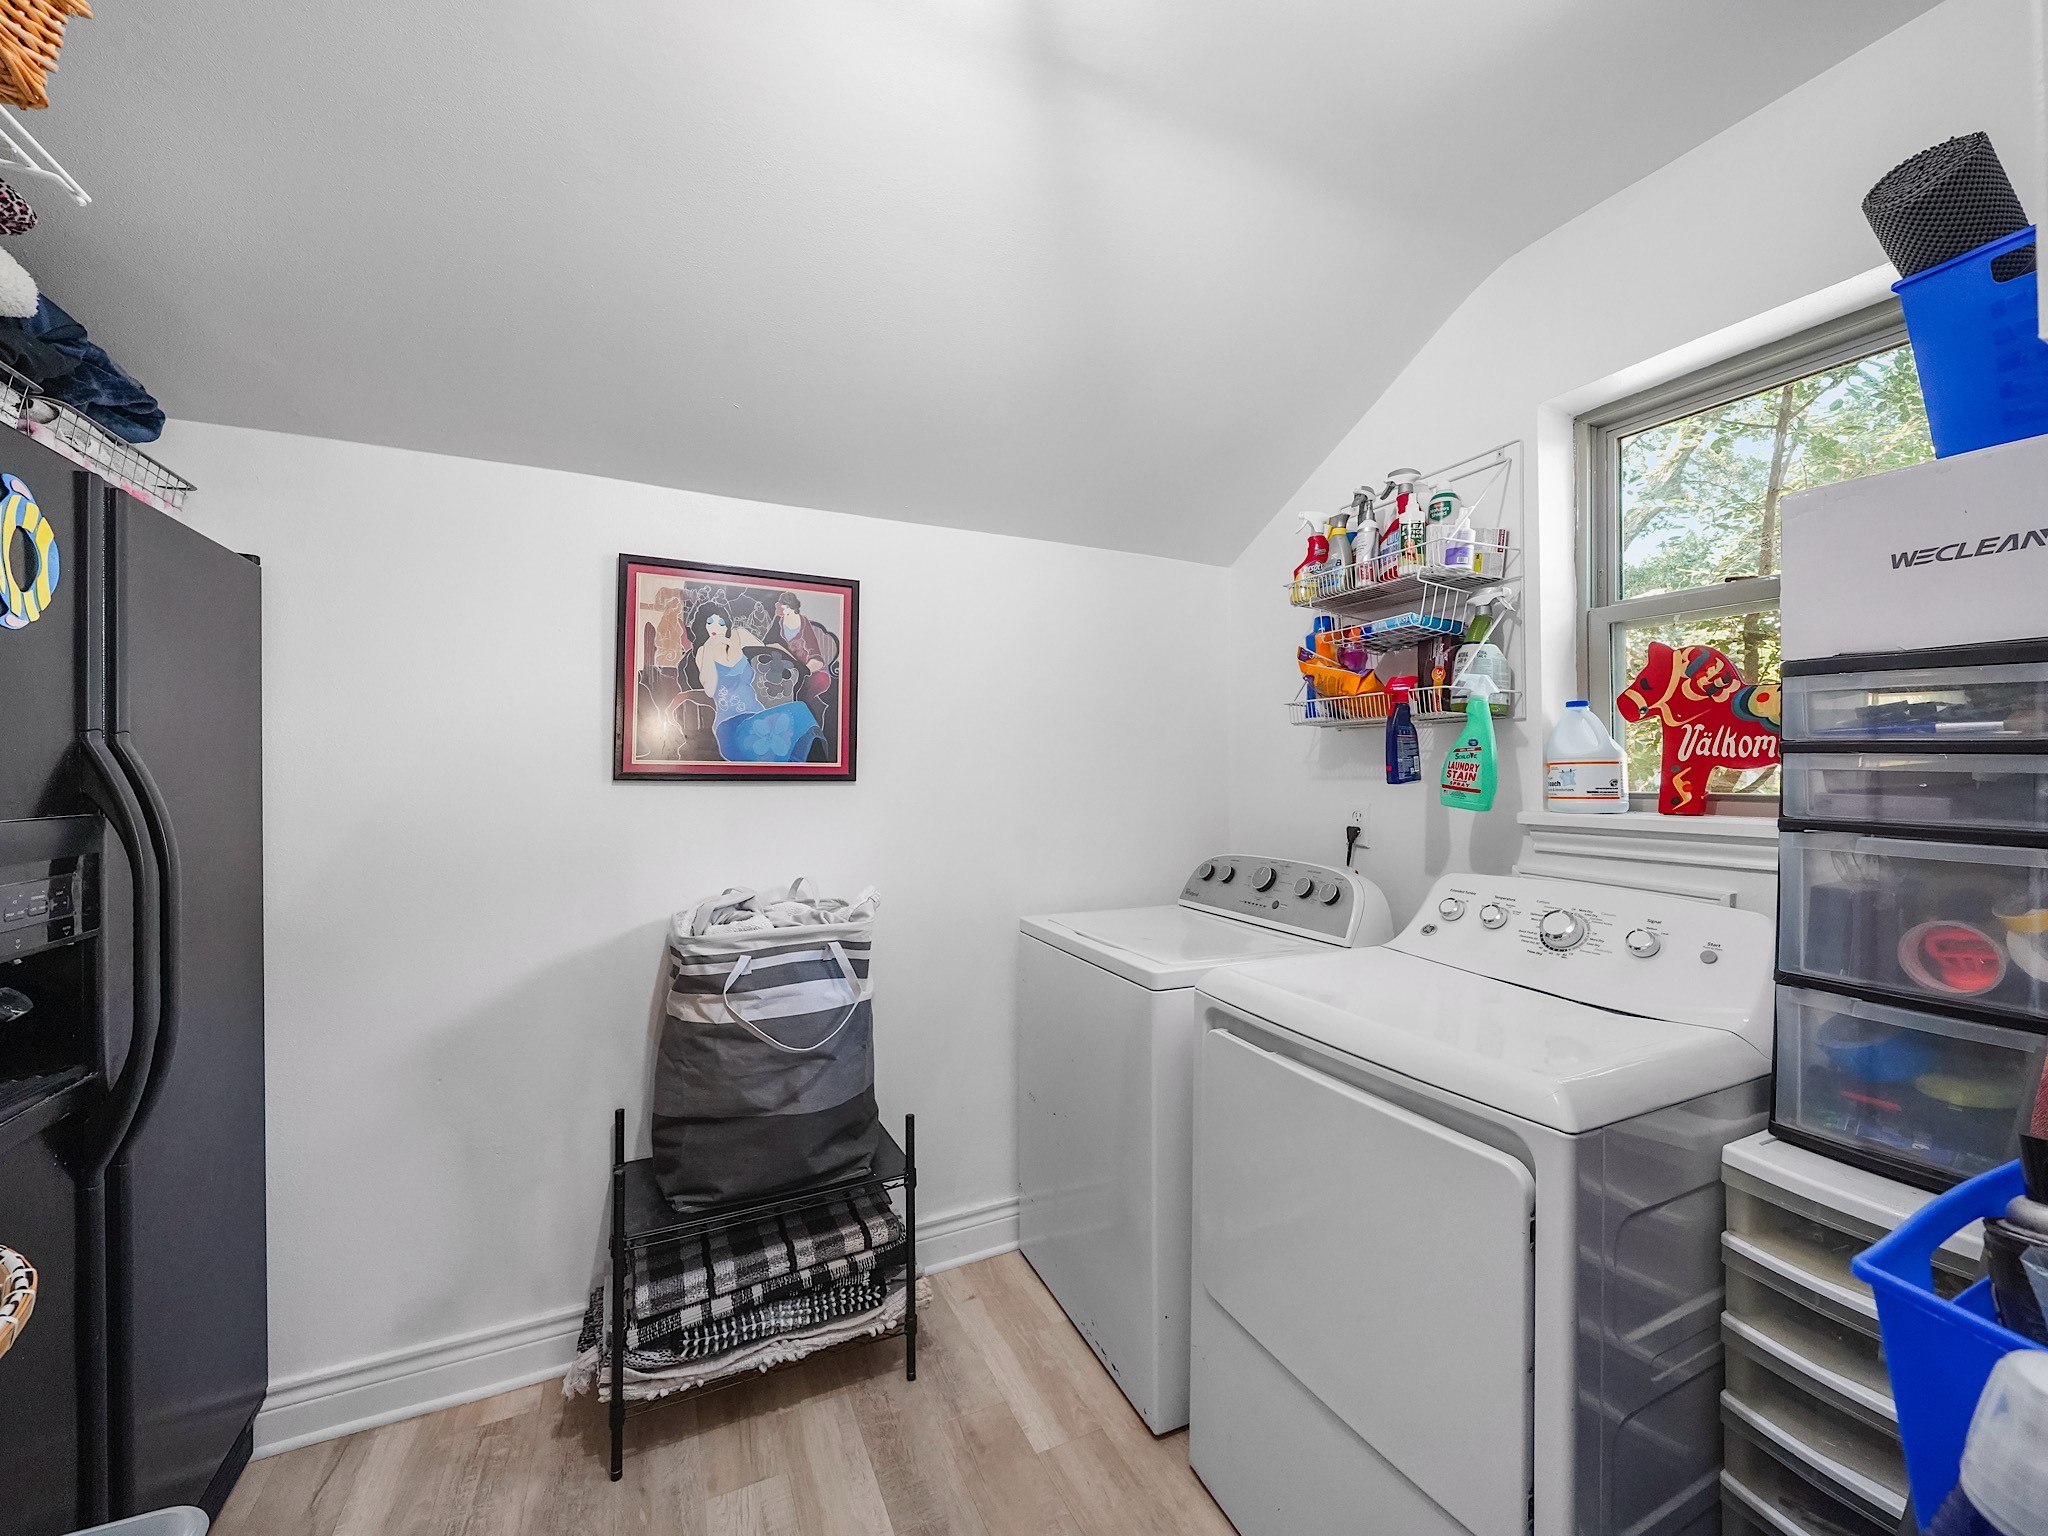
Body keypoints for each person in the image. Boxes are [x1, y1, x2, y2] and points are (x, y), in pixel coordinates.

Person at [770, 590, 833, 708]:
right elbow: (769, 642)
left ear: (791, 607)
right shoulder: (779, 621)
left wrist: (802, 671)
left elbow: (815, 656)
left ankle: (812, 712)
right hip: (786, 669)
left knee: (818, 682)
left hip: (808, 670)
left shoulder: (804, 622)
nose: (782, 609)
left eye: (784, 607)